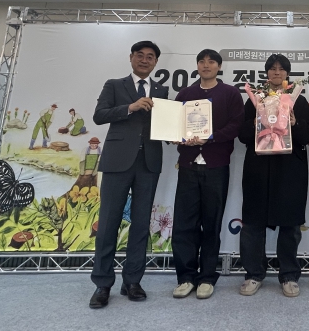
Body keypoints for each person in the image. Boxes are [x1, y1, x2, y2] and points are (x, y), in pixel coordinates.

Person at [88, 41, 169, 309]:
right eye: (140, 55)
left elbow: (164, 125)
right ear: (131, 58)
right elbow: (99, 115)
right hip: (117, 162)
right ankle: (102, 284)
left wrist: (178, 134)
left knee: (141, 224)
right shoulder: (114, 85)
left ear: (156, 62)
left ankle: (133, 281)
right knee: (108, 223)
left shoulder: (161, 90)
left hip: (149, 163)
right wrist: (130, 107)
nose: (145, 60)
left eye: (150, 57)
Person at [238, 54, 309, 298]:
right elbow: (241, 134)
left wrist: (295, 122)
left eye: (281, 69)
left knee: (290, 225)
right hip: (258, 169)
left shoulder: (297, 100)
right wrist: (254, 123)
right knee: (252, 224)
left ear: (287, 74)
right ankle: (253, 274)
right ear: (266, 73)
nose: (276, 72)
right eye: (272, 69)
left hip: (290, 170)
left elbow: (307, 136)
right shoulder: (255, 99)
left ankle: (289, 275)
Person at [171, 49, 244, 300]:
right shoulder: (185, 94)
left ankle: (207, 278)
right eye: (201, 61)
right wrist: (176, 136)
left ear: (219, 66)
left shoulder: (230, 93)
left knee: (212, 224)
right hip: (188, 166)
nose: (206, 65)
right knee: (184, 224)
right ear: (197, 66)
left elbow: (236, 126)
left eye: (211, 61)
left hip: (216, 166)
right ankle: (185, 277)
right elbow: (173, 125)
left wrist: (210, 137)